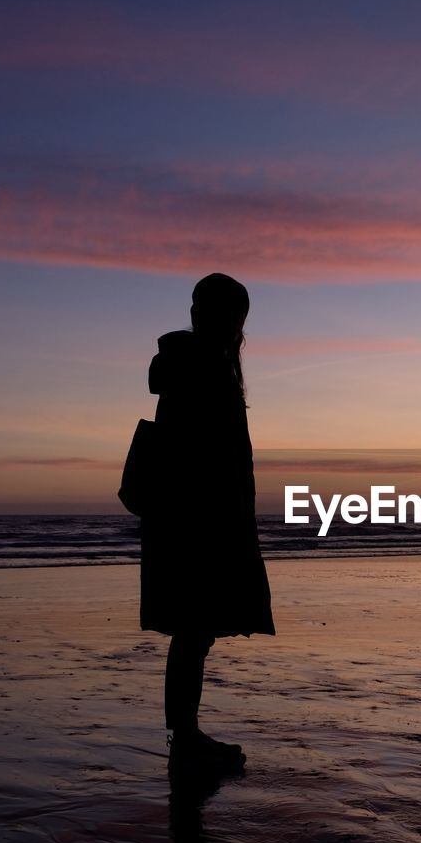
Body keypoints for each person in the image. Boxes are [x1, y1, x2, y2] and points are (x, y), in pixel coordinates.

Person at [140, 273, 275, 771]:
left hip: (191, 518)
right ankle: (187, 737)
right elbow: (204, 457)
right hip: (197, 521)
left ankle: (187, 734)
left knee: (194, 630)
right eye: (231, 315)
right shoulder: (202, 366)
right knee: (194, 628)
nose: (235, 326)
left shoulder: (200, 364)